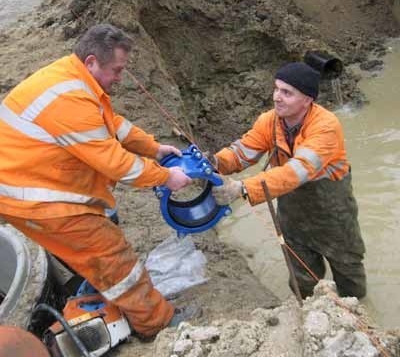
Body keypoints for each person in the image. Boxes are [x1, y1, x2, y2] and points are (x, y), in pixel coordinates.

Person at [0, 24, 196, 338]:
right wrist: (166, 176)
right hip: (35, 196)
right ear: (92, 61)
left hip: (32, 174)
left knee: (99, 230)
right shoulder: (70, 99)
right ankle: (156, 323)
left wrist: (155, 148)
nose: (120, 77)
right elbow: (118, 165)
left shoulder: (73, 78)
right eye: (116, 70)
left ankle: (95, 286)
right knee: (112, 255)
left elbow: (112, 125)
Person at [212, 62, 366, 299]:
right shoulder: (269, 121)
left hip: (333, 214)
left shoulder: (326, 126)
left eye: (287, 92)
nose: (277, 97)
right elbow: (243, 152)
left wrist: (242, 187)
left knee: (349, 273)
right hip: (292, 213)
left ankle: (358, 313)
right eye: (276, 89)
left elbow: (297, 171)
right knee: (302, 277)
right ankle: (305, 310)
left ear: (307, 100)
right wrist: (213, 163)